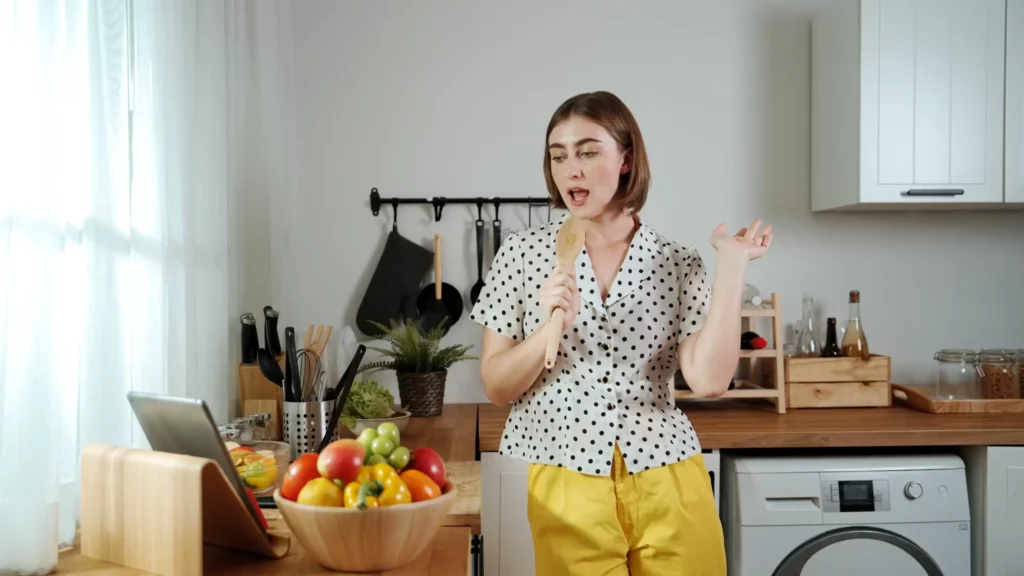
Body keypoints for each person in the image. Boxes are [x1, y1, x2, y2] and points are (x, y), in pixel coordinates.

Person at [469, 90, 772, 576]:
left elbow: (709, 381)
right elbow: (497, 385)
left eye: (588, 151)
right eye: (558, 155)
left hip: (669, 473)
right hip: (566, 479)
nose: (571, 169)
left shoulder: (677, 261)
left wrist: (730, 265)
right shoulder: (522, 255)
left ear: (626, 159)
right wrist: (550, 328)